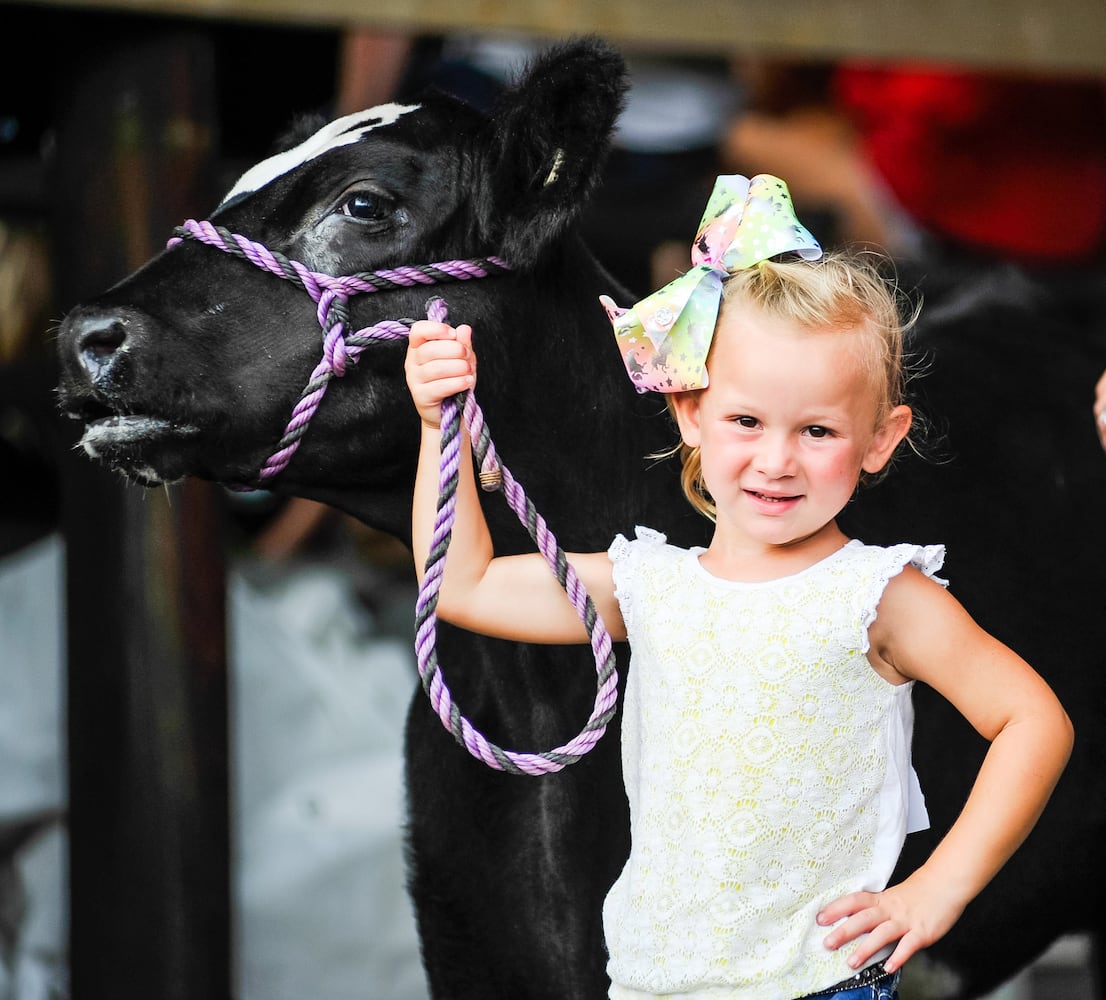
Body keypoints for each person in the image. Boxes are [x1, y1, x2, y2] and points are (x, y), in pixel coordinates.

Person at [403, 174, 1073, 1000]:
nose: (776, 459)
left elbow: (1031, 720)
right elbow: (463, 585)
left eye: (818, 430)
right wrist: (441, 429)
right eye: (746, 420)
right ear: (689, 412)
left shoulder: (876, 597)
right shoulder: (650, 587)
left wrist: (938, 888)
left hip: (820, 985)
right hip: (655, 984)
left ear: (879, 439)